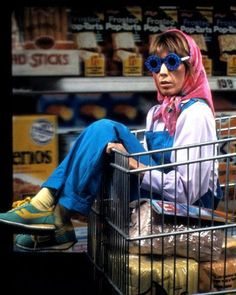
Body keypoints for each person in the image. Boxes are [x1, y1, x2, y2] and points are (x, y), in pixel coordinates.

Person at [0, 29, 222, 251]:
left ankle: (50, 213)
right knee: (102, 141)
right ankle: (52, 213)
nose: (163, 72)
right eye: (155, 64)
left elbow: (188, 193)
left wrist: (136, 167)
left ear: (191, 65)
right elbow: (150, 159)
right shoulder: (157, 113)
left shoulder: (195, 114)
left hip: (190, 209)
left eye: (172, 62)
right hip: (161, 197)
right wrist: (126, 159)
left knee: (105, 128)